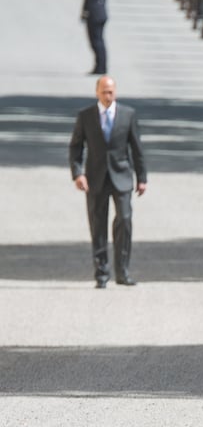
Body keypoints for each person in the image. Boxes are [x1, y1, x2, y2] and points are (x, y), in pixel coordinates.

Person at [68, 75, 147, 288]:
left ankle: (122, 271)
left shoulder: (127, 115)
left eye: (111, 92)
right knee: (98, 225)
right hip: (95, 178)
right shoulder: (86, 116)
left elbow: (137, 149)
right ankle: (101, 274)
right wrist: (78, 174)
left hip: (121, 177)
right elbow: (76, 146)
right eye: (103, 92)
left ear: (116, 92)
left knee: (125, 219)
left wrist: (141, 178)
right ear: (97, 93)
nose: (107, 96)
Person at [81, 0, 107, 75]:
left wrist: (84, 13)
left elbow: (88, 0)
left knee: (95, 41)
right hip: (102, 13)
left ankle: (100, 67)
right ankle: (102, 66)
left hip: (94, 15)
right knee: (100, 40)